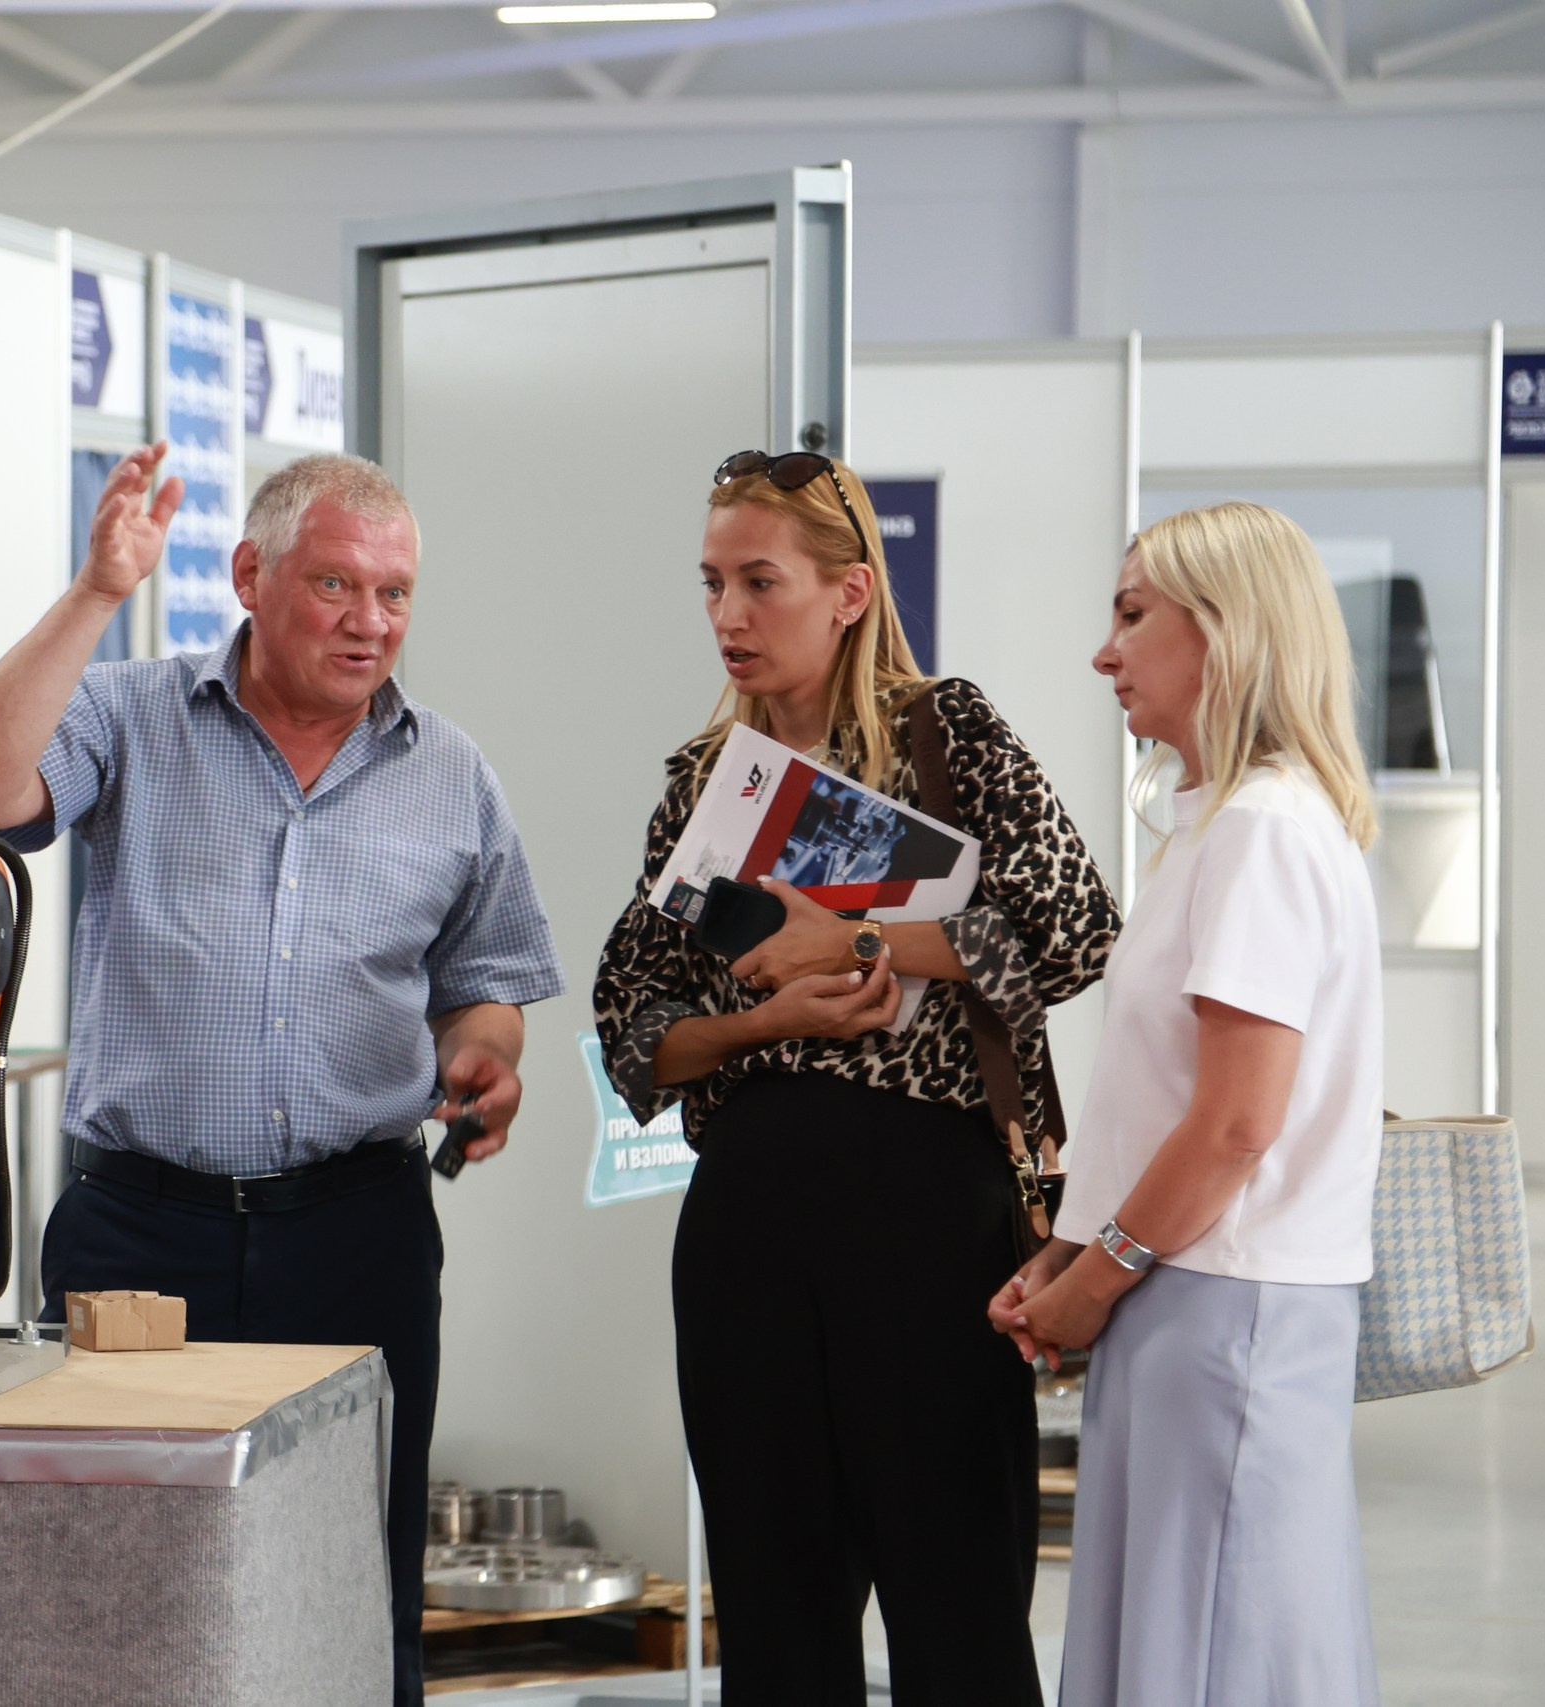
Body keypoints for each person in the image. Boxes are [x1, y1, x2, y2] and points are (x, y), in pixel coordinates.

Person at [0, 446, 565, 1707]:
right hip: (137, 1235)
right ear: (249, 576)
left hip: (357, 1234)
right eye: (335, 585)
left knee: (353, 1582)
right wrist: (97, 592)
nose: (369, 620)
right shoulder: (133, 714)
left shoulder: (450, 774)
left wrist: (488, 1054)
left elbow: (486, 979)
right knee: (116, 1581)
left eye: (393, 593)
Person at [593, 450, 1119, 1707]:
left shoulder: (948, 733)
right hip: (748, 1219)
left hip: (927, 1212)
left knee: (958, 1614)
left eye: (758, 581)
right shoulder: (704, 782)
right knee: (775, 1623)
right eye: (711, 582)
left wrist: (858, 940)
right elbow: (630, 1029)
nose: (727, 614)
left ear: (848, 591)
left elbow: (1075, 930)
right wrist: (762, 1019)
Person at [992, 502, 1384, 1705]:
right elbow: (1165, 1098)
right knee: (1193, 1641)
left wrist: (1096, 1277)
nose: (1102, 653)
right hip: (1188, 1295)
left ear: (1226, 630)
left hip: (1221, 1304)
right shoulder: (1223, 826)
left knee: (1212, 1651)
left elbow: (1233, 1125)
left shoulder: (1261, 832)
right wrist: (1069, 1254)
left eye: (1131, 615)